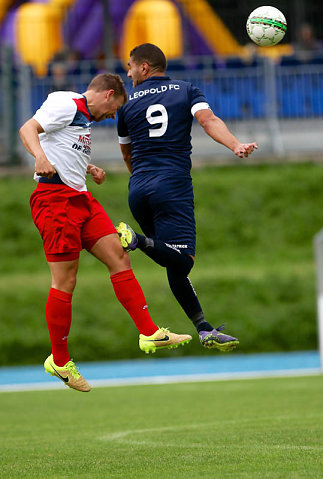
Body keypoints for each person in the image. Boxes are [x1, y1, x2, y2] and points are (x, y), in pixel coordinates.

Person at [19, 72, 192, 392]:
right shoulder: (66, 102)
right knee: (65, 281)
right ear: (109, 94)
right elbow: (28, 128)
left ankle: (149, 332)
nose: (112, 116)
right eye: (114, 110)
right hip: (54, 200)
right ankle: (59, 361)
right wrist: (39, 157)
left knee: (119, 255)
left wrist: (88, 166)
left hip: (81, 200)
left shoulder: (82, 118)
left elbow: (61, 145)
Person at [116, 43, 258, 351]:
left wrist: (142, 182)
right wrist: (234, 144)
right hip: (172, 185)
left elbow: (127, 154)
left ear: (144, 67)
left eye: (129, 66)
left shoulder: (126, 107)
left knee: (171, 261)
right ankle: (136, 240)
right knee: (183, 259)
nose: (127, 73)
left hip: (138, 188)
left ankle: (203, 328)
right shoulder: (186, 90)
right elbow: (208, 121)